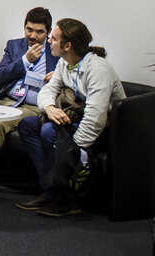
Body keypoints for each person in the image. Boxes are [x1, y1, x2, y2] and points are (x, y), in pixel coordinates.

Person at [16, 18, 126, 217]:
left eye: (54, 38)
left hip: (106, 131)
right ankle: (52, 190)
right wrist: (49, 108)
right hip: (75, 120)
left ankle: (67, 198)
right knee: (27, 126)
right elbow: (48, 91)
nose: (48, 40)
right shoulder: (65, 64)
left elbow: (96, 118)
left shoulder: (98, 70)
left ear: (67, 45)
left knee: (50, 130)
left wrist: (73, 150)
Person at [0, 7, 59, 191]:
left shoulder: (55, 52)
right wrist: (24, 61)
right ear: (24, 27)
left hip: (32, 106)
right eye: (29, 29)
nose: (33, 35)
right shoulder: (15, 46)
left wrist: (57, 77)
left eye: (39, 32)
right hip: (6, 100)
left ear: (48, 32)